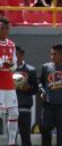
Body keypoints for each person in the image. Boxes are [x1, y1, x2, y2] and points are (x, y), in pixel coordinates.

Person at [14, 46, 38, 146]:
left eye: (16, 55)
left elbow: (35, 89)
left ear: (22, 55)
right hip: (11, 107)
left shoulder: (31, 70)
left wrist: (28, 87)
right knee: (11, 136)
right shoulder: (6, 70)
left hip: (25, 107)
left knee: (25, 136)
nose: (14, 58)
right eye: (12, 55)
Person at [0, 17, 18, 146]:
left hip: (9, 85)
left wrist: (11, 65)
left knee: (14, 113)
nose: (6, 30)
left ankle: (11, 143)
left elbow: (15, 65)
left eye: (7, 28)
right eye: (3, 28)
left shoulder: (12, 44)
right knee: (0, 114)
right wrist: (2, 64)